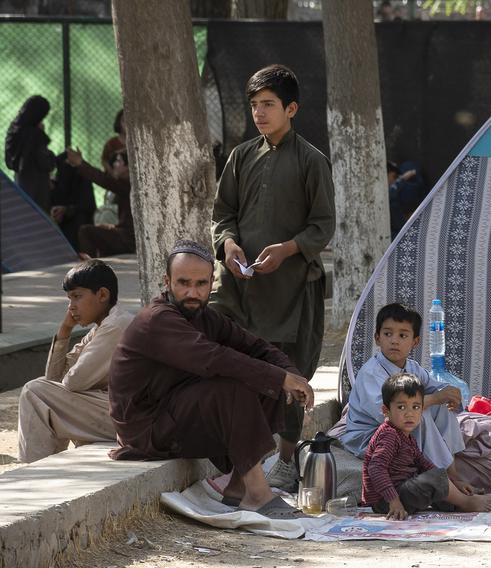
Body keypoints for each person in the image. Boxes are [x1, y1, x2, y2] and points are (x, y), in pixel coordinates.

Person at [108, 240, 314, 519]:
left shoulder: (206, 316)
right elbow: (213, 358)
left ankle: (238, 487)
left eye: (201, 284)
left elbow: (256, 347)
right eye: (183, 283)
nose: (192, 292)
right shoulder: (157, 319)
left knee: (264, 379)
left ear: (211, 283)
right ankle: (258, 494)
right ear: (167, 282)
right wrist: (280, 377)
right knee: (233, 387)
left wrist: (293, 376)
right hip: (147, 427)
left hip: (177, 410)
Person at [211, 64, 335, 492]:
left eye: (268, 105)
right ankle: (241, 455)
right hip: (242, 288)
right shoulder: (241, 156)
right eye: (254, 105)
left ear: (292, 108)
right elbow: (223, 215)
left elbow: (323, 226)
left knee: (289, 371)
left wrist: (287, 249)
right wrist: (227, 246)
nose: (259, 114)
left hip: (293, 289)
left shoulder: (311, 161)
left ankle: (285, 457)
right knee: (240, 365)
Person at [339, 303, 470, 490]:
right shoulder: (371, 372)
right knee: (417, 415)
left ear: (414, 342)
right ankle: (447, 483)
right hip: (368, 437)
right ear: (377, 338)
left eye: (402, 335)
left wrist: (451, 392)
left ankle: (452, 472)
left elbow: (437, 389)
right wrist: (432, 399)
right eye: (387, 334)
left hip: (395, 431)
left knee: (439, 406)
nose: (394, 341)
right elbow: (388, 415)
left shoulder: (413, 368)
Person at [17, 260, 132, 463]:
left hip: (133, 418)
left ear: (103, 295)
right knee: (40, 392)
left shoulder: (116, 325)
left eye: (77, 297)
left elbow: (72, 382)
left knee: (34, 391)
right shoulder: (100, 328)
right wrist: (65, 331)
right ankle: (41, 467)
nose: (71, 307)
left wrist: (65, 381)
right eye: (69, 299)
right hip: (119, 414)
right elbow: (53, 378)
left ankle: (33, 470)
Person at [362, 373, 491, 519]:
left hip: (403, 493)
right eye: (401, 407)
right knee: (435, 479)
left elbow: (423, 463)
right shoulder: (389, 435)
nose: (409, 413)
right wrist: (394, 501)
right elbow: (376, 468)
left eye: (416, 407)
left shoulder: (406, 436)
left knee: (440, 481)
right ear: (386, 410)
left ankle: (490, 500)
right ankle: (467, 503)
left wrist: (453, 481)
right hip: (385, 501)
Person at [66, 147, 135, 258]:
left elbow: (103, 180)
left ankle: (89, 267)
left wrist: (80, 163)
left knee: (85, 231)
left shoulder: (127, 184)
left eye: (119, 161)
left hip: (129, 241)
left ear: (128, 166)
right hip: (126, 236)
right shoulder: (125, 185)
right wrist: (113, 227)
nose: (115, 165)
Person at [5, 95, 55, 211]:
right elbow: (45, 162)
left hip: (20, 185)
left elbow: (9, 162)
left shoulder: (14, 130)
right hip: (37, 189)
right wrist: (52, 156)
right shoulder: (35, 135)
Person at [50, 152, 96, 250]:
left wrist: (67, 210)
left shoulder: (83, 180)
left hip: (78, 224)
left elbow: (88, 205)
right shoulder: (56, 183)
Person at [95, 110, 126, 226]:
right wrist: (112, 172)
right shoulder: (112, 143)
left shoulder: (137, 140)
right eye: (123, 121)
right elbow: (104, 160)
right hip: (115, 181)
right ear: (119, 123)